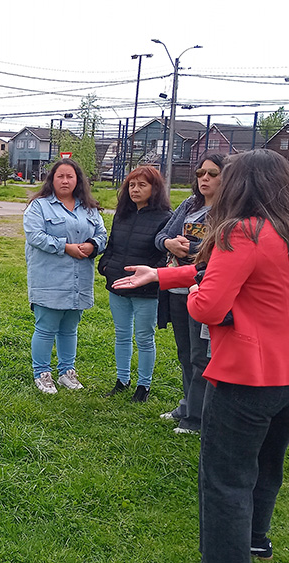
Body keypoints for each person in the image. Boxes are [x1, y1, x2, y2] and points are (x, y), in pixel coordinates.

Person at [114, 149, 289, 562]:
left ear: (239, 184)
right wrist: (161, 274)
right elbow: (237, 272)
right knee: (267, 463)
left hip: (250, 376)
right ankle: (256, 537)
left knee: (226, 480)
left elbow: (208, 306)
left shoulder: (242, 231)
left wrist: (196, 293)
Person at [153, 153, 226, 434]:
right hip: (178, 288)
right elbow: (160, 237)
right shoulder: (189, 204)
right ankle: (187, 406)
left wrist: (196, 250)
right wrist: (170, 243)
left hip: (205, 290)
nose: (204, 178)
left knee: (201, 356)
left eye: (212, 173)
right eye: (200, 173)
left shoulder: (229, 210)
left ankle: (196, 418)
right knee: (185, 353)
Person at [24, 158, 107, 394]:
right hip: (49, 279)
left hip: (78, 281)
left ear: (78, 180)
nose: (65, 181)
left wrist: (93, 245)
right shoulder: (39, 206)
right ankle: (42, 373)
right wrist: (65, 247)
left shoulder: (88, 208)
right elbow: (35, 236)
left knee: (70, 328)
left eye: (70, 176)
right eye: (60, 176)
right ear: (52, 179)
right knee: (46, 327)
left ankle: (66, 372)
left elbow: (102, 234)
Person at [97, 166, 171, 402]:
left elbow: (164, 257)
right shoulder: (122, 215)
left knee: (144, 337)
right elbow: (111, 245)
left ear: (154, 188)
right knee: (122, 334)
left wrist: (151, 277)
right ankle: (122, 380)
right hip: (118, 285)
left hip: (146, 290)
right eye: (131, 185)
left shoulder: (165, 218)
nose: (135, 190)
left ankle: (143, 386)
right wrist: (106, 266)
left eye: (142, 185)